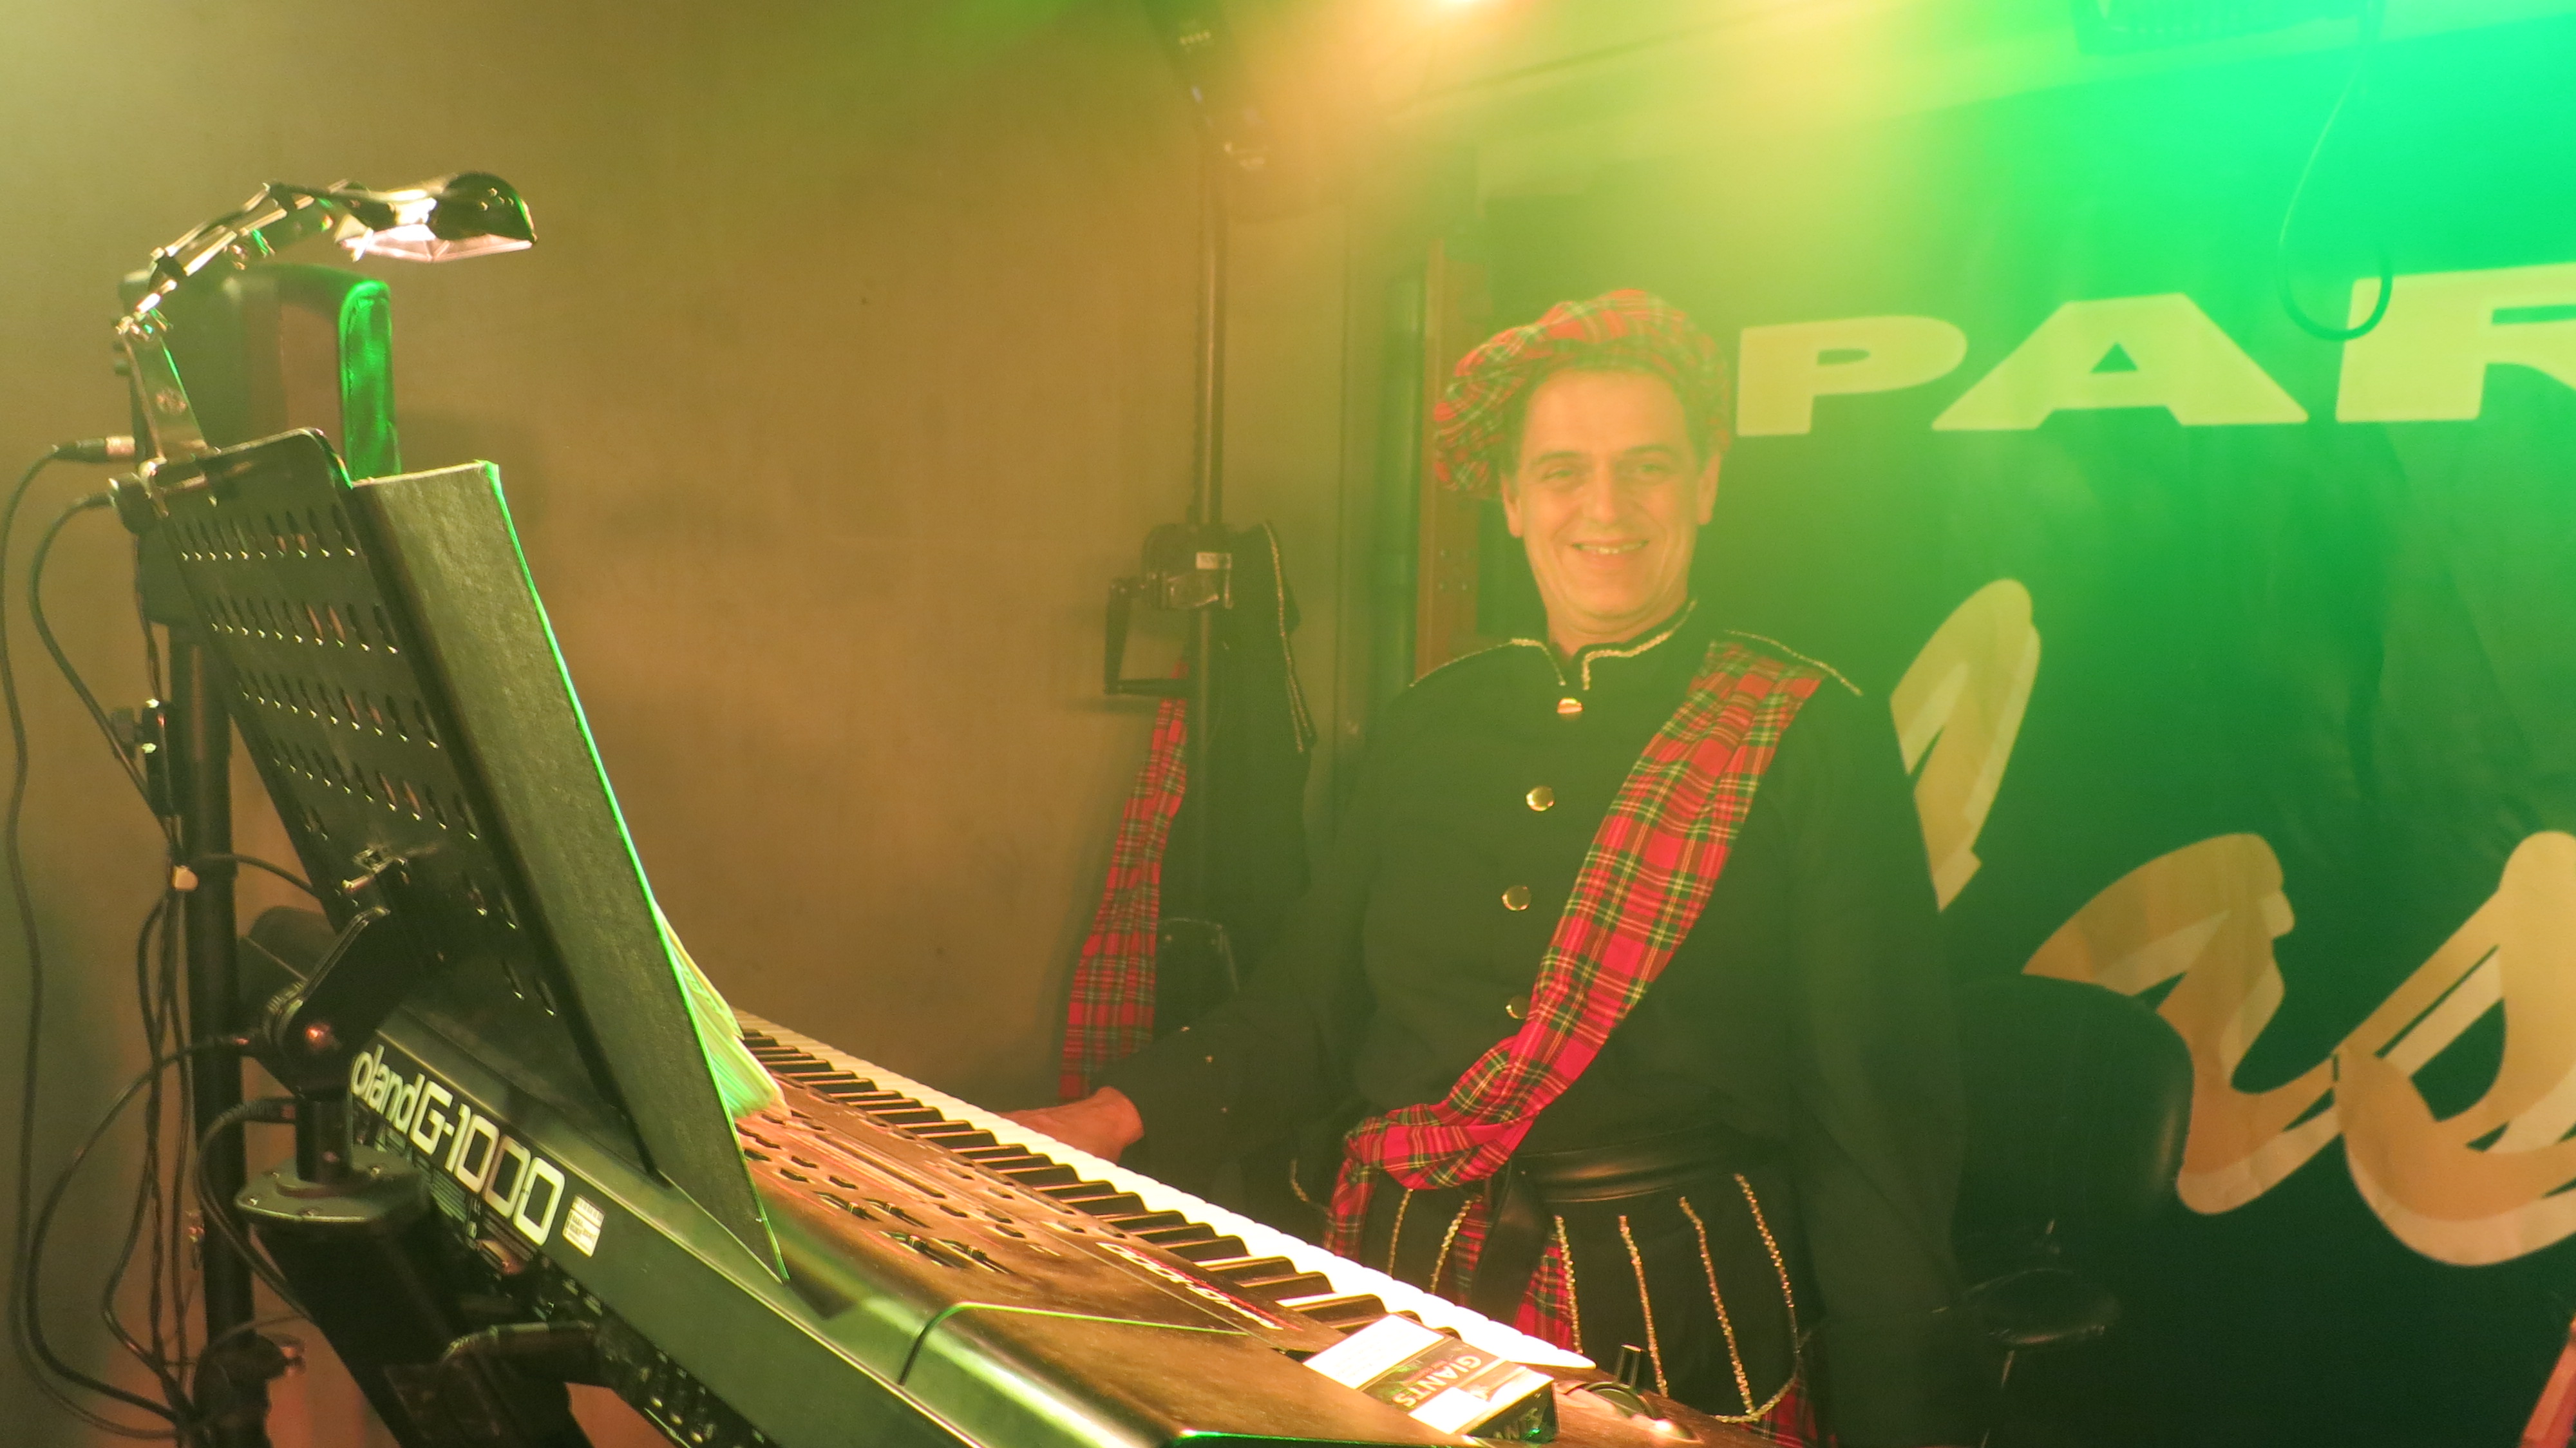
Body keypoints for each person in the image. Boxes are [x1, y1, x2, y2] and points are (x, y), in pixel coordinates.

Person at [1012, 291, 1979, 1447]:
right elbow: (1311, 1004)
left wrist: (1896, 1412)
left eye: (1648, 467)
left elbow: (1873, 1118)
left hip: (1676, 1314)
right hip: (1400, 1280)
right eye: (1564, 472)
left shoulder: (1812, 733)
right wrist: (1108, 1117)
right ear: (1513, 501)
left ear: (1706, 485)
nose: (1606, 508)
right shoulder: (1432, 720)